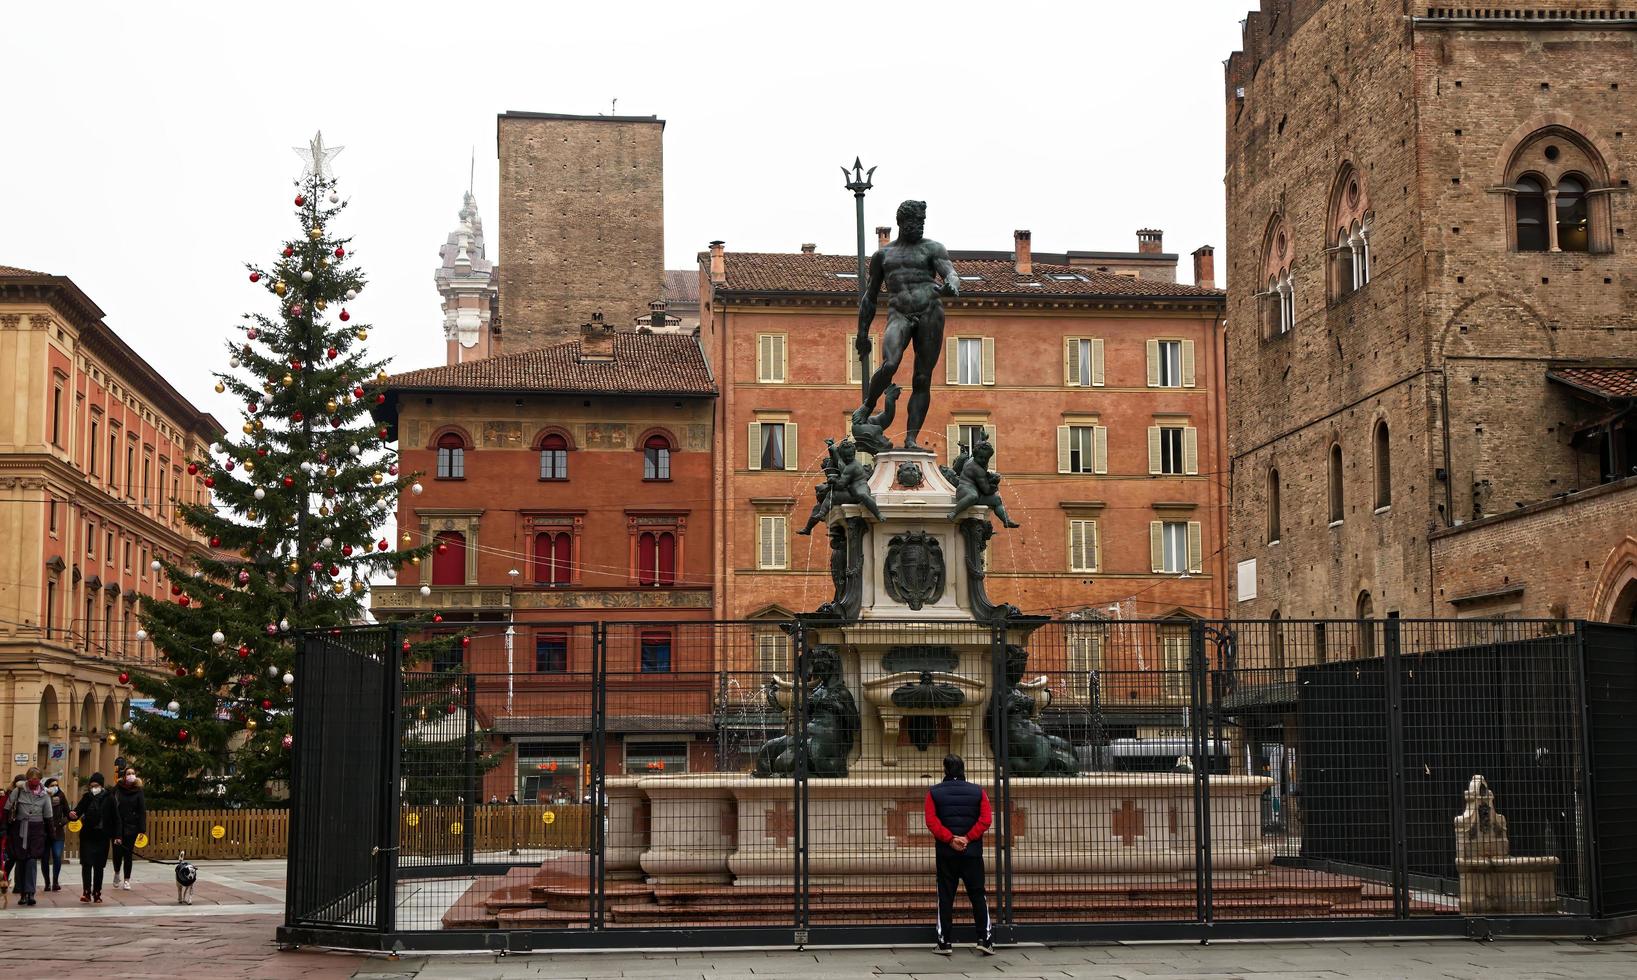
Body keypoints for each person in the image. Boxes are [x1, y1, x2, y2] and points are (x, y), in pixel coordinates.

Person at [923, 754, 994, 955]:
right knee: (978, 895)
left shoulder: (934, 793)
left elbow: (931, 821)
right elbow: (986, 819)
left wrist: (950, 839)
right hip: (972, 853)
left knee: (945, 897)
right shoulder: (978, 791)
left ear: (945, 770)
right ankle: (985, 939)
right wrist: (968, 838)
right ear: (963, 770)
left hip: (946, 854)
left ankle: (944, 942)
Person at [3, 767, 54, 905]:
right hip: (19, 829)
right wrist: (5, 828)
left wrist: (51, 835)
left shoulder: (44, 794)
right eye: (32, 779)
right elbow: (7, 808)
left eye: (37, 779)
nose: (34, 782)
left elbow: (48, 816)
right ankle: (22, 893)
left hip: (36, 831)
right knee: (21, 860)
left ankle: (30, 892)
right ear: (28, 779)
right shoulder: (18, 790)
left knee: (31, 861)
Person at [71, 772, 118, 903]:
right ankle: (86, 892)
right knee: (86, 864)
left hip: (102, 836)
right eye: (91, 786)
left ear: (101, 786)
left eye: (96, 785)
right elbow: (77, 811)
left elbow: (116, 818)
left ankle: (97, 892)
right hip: (87, 836)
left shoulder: (109, 798)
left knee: (98, 866)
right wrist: (73, 815)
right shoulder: (87, 797)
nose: (94, 788)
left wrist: (117, 836)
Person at [112, 767, 146, 890]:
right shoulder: (117, 789)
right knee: (117, 853)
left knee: (128, 854)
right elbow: (111, 805)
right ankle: (116, 873)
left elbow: (142, 810)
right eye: (128, 773)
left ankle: (127, 879)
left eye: (133, 773)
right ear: (124, 776)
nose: (131, 775)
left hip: (131, 827)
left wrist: (142, 829)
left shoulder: (138, 791)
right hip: (117, 827)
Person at [42, 776, 70, 891]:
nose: (55, 787)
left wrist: (60, 823)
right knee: (44, 859)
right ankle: (47, 883)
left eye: (56, 785)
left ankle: (55, 881)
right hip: (44, 832)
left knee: (57, 856)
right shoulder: (43, 796)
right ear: (47, 787)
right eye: (52, 785)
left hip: (58, 832)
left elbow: (68, 814)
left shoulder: (61, 795)